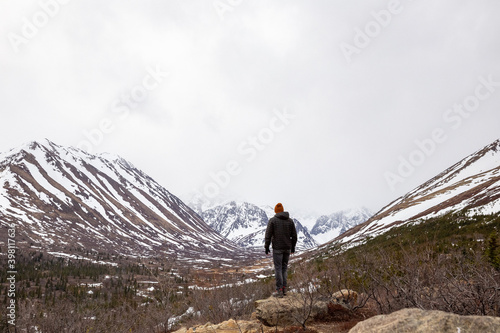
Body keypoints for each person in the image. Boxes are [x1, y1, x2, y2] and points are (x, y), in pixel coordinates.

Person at [265, 203, 298, 298]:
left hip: (277, 249)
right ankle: (284, 289)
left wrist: (266, 247)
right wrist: (292, 248)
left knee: (278, 268)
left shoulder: (273, 221)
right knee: (284, 268)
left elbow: (268, 235)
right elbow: (294, 236)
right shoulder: (290, 221)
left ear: (276, 211)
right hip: (287, 248)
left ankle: (279, 290)